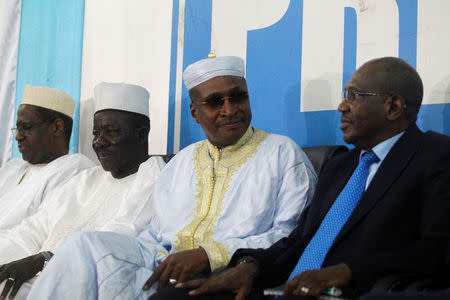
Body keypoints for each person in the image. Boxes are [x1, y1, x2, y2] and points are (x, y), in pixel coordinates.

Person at [155, 57, 450, 300]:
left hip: (353, 290)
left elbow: (437, 249)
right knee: (175, 296)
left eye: (354, 96)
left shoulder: (435, 156)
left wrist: (348, 270)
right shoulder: (341, 165)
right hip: (286, 287)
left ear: (394, 107)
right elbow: (298, 240)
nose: (342, 106)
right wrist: (249, 265)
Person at [26, 55, 317, 300]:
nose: (230, 109)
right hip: (166, 267)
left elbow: (290, 235)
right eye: (215, 102)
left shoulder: (282, 154)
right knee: (84, 246)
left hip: (230, 273)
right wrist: (146, 258)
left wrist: (207, 254)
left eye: (238, 97)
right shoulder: (183, 162)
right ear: (195, 112)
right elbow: (154, 234)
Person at [0, 82, 165, 299]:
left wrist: (44, 260)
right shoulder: (87, 179)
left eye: (110, 132)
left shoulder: (153, 177)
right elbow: (33, 229)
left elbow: (114, 240)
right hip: (41, 271)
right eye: (96, 133)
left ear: (141, 134)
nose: (99, 142)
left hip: (89, 283)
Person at [0, 85, 94, 229]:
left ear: (57, 127)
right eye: (18, 129)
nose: (18, 136)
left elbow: (40, 233)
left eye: (26, 128)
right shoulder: (13, 167)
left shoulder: (73, 170)